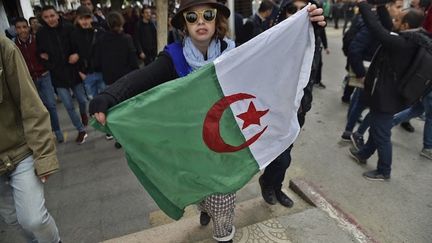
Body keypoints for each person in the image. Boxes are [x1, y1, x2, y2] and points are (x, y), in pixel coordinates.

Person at [89, 0, 324, 241]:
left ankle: (224, 234)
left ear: (216, 21)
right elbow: (140, 78)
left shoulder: (234, 53)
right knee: (201, 192)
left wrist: (303, 25)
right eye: (192, 17)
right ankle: (203, 209)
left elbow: (272, 55)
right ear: (184, 25)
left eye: (207, 15)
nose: (200, 21)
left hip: (224, 148)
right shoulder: (173, 57)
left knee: (223, 198)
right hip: (191, 146)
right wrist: (110, 95)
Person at [349, 0, 429, 181]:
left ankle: (384, 171)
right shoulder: (412, 37)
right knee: (378, 129)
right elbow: (386, 26)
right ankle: (363, 154)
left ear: (406, 25)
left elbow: (378, 30)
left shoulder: (402, 44)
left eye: (398, 18)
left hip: (387, 98)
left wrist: (363, 5)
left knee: (382, 135)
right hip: (389, 95)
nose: (394, 19)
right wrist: (382, 5)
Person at [0, 34, 61, 243]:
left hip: (19, 151)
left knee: (33, 219)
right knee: (12, 219)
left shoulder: (3, 48)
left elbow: (30, 103)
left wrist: (44, 155)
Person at [37, 5, 88, 144]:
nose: (50, 19)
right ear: (42, 18)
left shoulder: (69, 28)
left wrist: (77, 55)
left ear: (57, 15)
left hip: (73, 71)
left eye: (52, 16)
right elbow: (40, 54)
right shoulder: (41, 34)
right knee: (68, 105)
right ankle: (80, 130)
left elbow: (80, 45)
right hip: (58, 75)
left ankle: (84, 113)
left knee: (82, 100)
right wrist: (51, 64)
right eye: (46, 17)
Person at [14, 17, 64, 143]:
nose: (22, 30)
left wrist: (47, 62)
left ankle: (57, 131)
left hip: (44, 75)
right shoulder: (14, 45)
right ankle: (47, 133)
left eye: (24, 27)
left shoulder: (37, 40)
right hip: (29, 80)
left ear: (28, 28)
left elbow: (49, 52)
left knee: (51, 105)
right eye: (19, 28)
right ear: (15, 30)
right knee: (37, 108)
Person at [72, 6, 106, 99]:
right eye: (81, 18)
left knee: (107, 101)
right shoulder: (74, 34)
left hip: (102, 72)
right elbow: (72, 53)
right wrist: (80, 72)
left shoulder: (100, 31)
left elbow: (106, 51)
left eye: (87, 18)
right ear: (77, 19)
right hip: (86, 74)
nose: (84, 21)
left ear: (91, 17)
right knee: (93, 104)